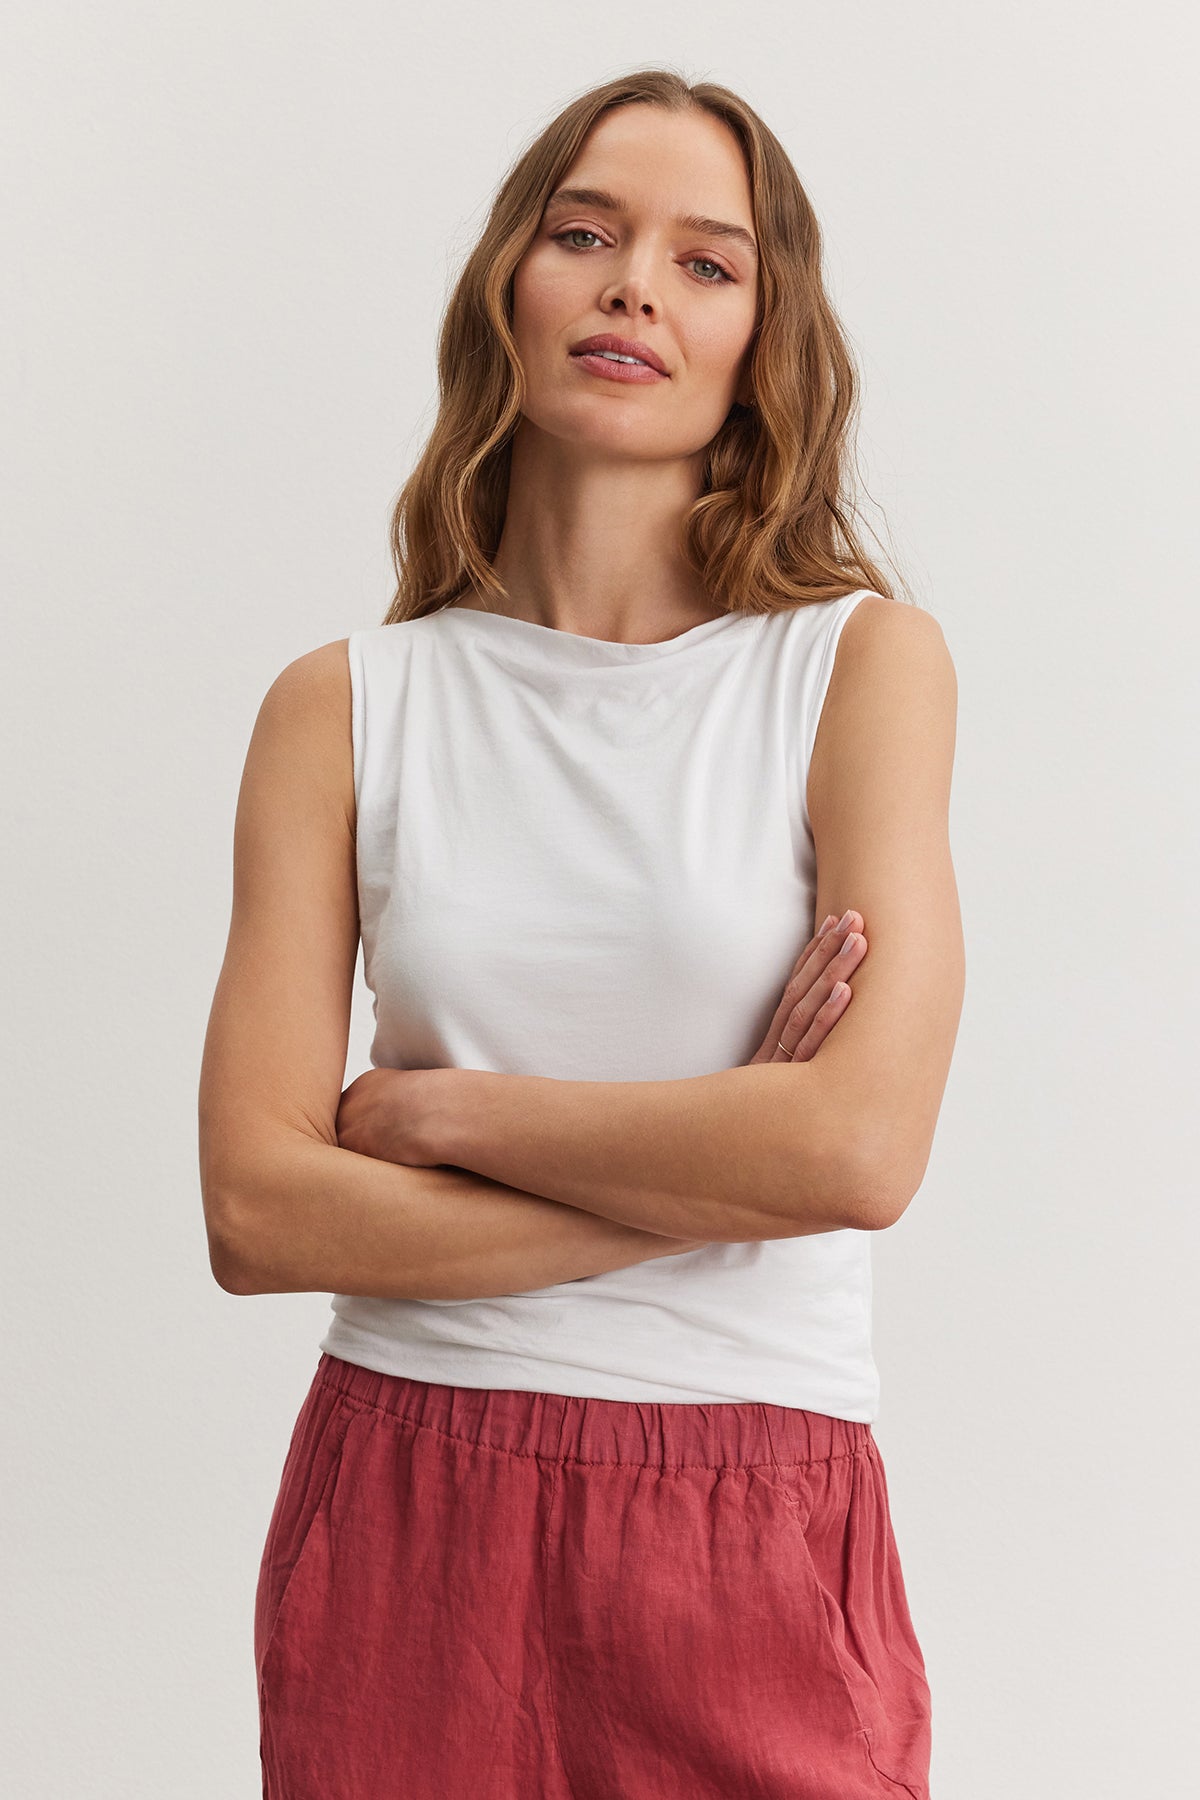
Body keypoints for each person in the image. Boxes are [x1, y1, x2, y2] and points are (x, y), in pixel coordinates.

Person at [199, 67, 964, 1800]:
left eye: (709, 261)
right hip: (413, 1500)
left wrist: (445, 1118)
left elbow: (854, 1146)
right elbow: (257, 1211)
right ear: (509, 289)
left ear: (765, 342)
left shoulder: (857, 668)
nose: (636, 286)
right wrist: (710, 1177)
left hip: (752, 1503)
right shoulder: (345, 707)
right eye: (588, 233)